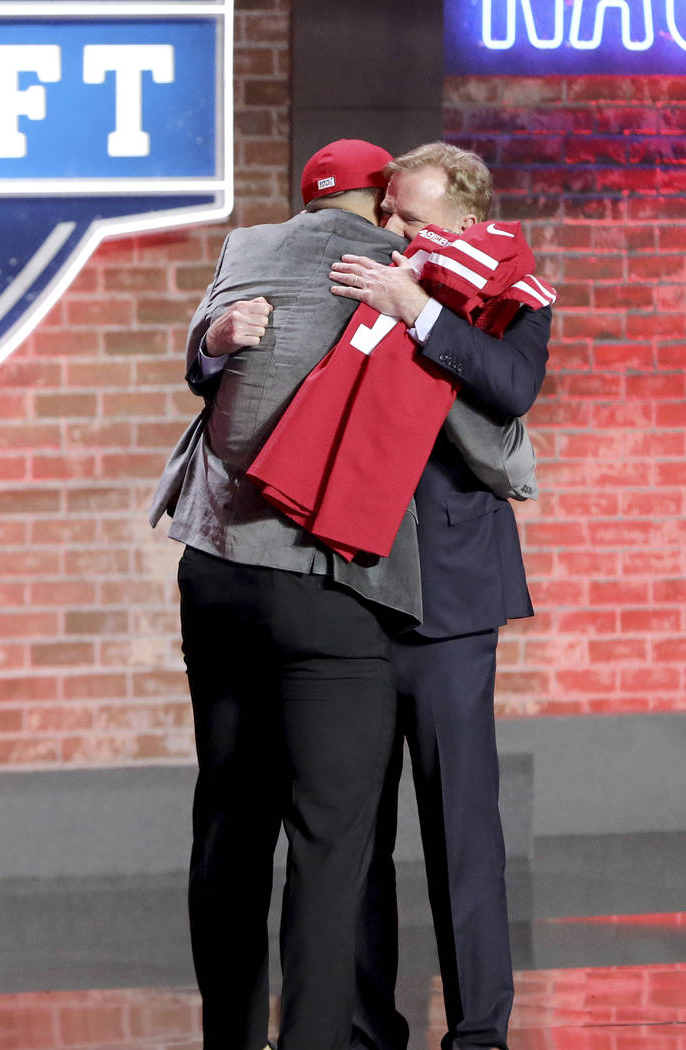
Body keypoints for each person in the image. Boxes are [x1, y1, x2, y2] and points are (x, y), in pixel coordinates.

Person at [150, 139, 426, 1050]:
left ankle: (227, 1040)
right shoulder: (407, 268)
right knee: (331, 839)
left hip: (218, 573)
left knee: (228, 822)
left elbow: (203, 362)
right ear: (385, 201)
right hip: (329, 582)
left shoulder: (245, 250)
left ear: (305, 200)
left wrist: (214, 341)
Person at [328, 142, 551, 1050]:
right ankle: (365, 1029)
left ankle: (479, 1035)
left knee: (463, 834)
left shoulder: (510, 294)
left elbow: (510, 387)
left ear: (462, 221)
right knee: (352, 835)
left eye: (412, 220)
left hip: (452, 599)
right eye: (387, 214)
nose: (393, 233)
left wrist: (418, 309)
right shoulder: (360, 278)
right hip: (347, 588)